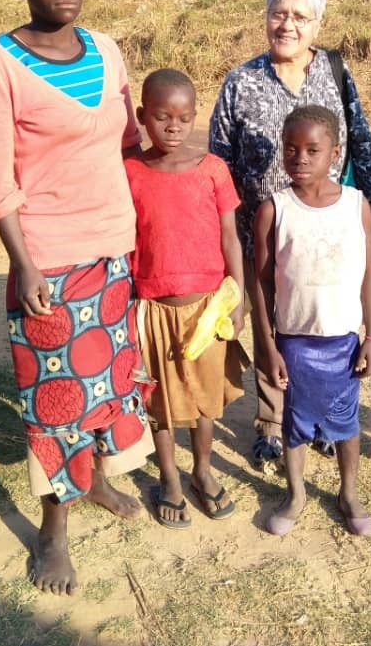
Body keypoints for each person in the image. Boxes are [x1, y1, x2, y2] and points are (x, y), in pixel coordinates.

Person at [0, 0, 156, 595]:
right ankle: (53, 529)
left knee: (107, 381)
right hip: (49, 257)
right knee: (57, 399)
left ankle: (98, 478)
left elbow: (132, 143)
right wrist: (24, 263)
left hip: (113, 249)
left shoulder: (107, 49)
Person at [210, 0, 371, 470]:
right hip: (261, 228)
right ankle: (270, 422)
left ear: (317, 25)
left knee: (325, 320)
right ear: (265, 18)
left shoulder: (335, 73)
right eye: (278, 13)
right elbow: (218, 161)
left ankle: (325, 417)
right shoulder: (241, 82)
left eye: (300, 17)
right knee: (273, 318)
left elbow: (363, 142)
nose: (287, 24)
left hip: (328, 226)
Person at [124, 68, 248, 529]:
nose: (173, 127)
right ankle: (170, 477)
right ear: (142, 117)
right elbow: (126, 242)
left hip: (207, 311)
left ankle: (202, 469)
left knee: (203, 399)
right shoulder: (131, 172)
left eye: (184, 118)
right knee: (160, 401)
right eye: (162, 117)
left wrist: (239, 299)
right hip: (152, 311)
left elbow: (231, 239)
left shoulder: (212, 170)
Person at [252, 106, 371, 537]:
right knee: (295, 422)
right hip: (294, 341)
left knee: (346, 421)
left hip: (343, 340)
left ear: (334, 153)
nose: (300, 158)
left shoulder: (355, 205)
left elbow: (369, 274)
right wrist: (269, 345)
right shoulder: (274, 209)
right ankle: (295, 493)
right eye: (291, 149)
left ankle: (349, 493)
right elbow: (262, 282)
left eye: (312, 149)